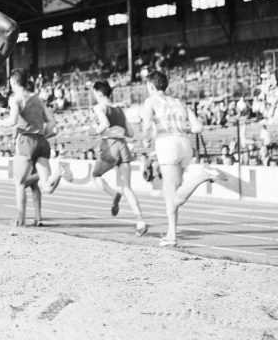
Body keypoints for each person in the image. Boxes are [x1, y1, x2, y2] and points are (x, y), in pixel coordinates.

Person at [142, 70, 225, 247]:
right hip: (183, 143)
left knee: (173, 197)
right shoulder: (179, 102)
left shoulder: (151, 101)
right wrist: (180, 129)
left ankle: (203, 175)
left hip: (166, 143)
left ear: (151, 86)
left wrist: (146, 139)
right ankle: (171, 235)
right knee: (171, 193)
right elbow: (197, 127)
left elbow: (147, 127)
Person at [0, 68, 62, 226]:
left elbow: (12, 121)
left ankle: (21, 221)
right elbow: (52, 123)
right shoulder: (39, 99)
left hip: (26, 141)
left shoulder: (16, 99)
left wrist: (0, 123)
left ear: (13, 82)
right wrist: (43, 134)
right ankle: (58, 174)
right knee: (46, 187)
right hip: (41, 141)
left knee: (19, 183)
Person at [90, 81, 148, 236]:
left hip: (110, 145)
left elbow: (105, 123)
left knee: (95, 175)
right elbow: (131, 133)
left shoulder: (99, 107)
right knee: (127, 187)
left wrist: (94, 132)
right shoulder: (120, 110)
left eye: (94, 94)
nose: (94, 97)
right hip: (123, 147)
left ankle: (113, 194)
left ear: (99, 93)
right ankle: (140, 221)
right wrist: (118, 129)